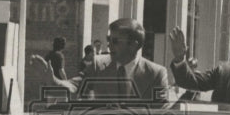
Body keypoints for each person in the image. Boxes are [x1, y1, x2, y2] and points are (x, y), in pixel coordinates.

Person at [31, 18, 169, 101]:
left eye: (115, 41)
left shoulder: (156, 74)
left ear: (134, 45)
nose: (109, 45)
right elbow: (75, 87)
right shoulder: (98, 65)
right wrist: (53, 80)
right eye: (108, 40)